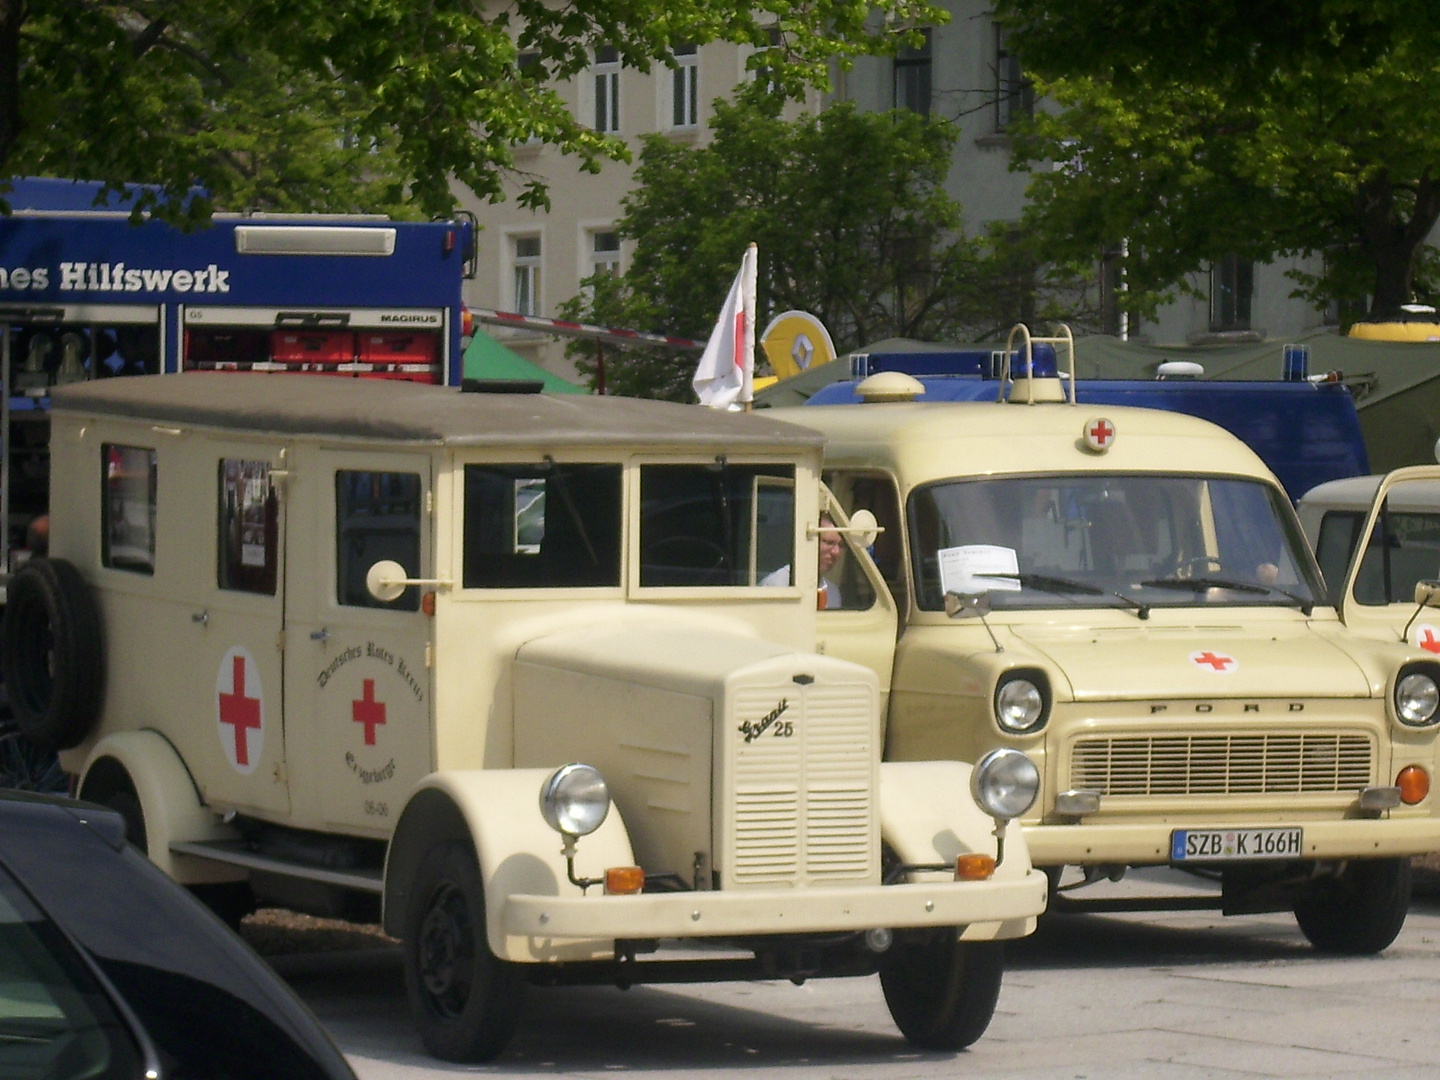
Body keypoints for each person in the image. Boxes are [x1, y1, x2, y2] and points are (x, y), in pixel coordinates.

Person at [762, 513, 844, 608]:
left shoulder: (832, 592)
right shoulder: (778, 585)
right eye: (829, 543)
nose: (836, 552)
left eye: (841, 545)